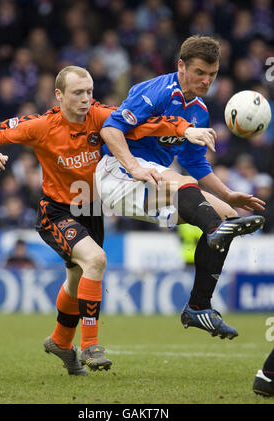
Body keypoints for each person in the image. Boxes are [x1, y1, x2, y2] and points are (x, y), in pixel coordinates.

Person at [0, 65, 208, 375]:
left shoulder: (100, 117)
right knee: (97, 260)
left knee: (77, 279)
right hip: (56, 211)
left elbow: (145, 124)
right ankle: (90, 346)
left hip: (91, 210)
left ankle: (60, 342)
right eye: (78, 93)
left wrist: (184, 129)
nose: (87, 98)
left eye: (89, 91)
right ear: (59, 95)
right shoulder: (41, 125)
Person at [97, 35, 266, 339]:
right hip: (118, 174)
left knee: (228, 217)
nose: (206, 81)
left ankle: (198, 307)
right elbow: (110, 128)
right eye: (200, 72)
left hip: (156, 182)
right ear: (181, 66)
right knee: (188, 190)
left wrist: (227, 194)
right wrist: (134, 166)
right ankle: (213, 230)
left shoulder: (199, 111)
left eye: (212, 74)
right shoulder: (155, 91)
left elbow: (196, 164)